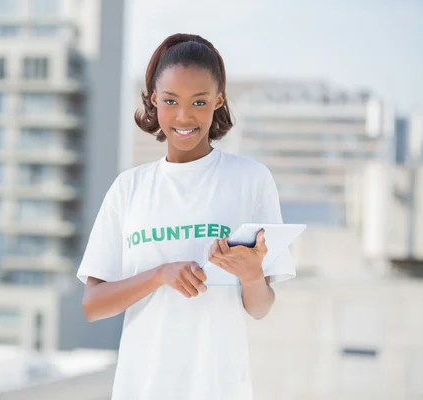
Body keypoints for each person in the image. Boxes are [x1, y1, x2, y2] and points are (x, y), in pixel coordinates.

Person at [77, 33, 296, 400]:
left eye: (199, 101)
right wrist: (160, 275)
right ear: (153, 101)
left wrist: (252, 273)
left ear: (218, 101)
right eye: (170, 101)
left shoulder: (251, 179)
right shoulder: (128, 188)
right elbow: (92, 306)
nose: (183, 116)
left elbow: (260, 308)